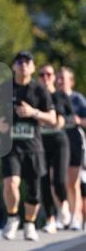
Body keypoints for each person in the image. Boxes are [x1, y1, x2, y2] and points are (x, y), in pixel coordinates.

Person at [0, 51, 56, 241]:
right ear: (13, 67)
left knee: (34, 191)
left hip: (34, 147)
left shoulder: (39, 90)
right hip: (11, 145)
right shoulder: (5, 88)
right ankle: (12, 218)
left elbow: (53, 119)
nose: (23, 65)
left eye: (28, 61)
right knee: (11, 182)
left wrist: (33, 112)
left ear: (33, 67)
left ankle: (29, 223)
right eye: (19, 61)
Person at [37, 64, 72, 233]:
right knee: (43, 181)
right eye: (42, 74)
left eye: (49, 74)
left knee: (59, 180)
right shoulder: (34, 96)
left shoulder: (59, 95)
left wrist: (60, 120)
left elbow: (68, 117)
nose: (45, 77)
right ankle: (50, 219)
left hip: (59, 140)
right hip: (40, 142)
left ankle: (63, 204)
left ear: (53, 77)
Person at [56, 66, 86, 230]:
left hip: (74, 140)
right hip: (56, 142)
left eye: (63, 78)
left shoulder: (77, 99)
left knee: (73, 182)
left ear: (71, 81)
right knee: (58, 181)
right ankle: (62, 213)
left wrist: (78, 120)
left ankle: (77, 216)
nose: (59, 81)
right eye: (58, 77)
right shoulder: (52, 97)